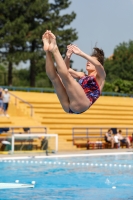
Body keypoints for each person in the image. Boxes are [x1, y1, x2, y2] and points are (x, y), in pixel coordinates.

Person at [42, 30, 106, 114]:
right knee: (55, 78)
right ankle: (47, 51)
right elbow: (65, 69)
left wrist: (80, 53)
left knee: (67, 78)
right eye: (88, 60)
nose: (88, 62)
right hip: (68, 107)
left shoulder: (101, 76)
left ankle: (55, 49)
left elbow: (98, 65)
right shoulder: (82, 75)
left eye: (91, 61)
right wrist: (67, 57)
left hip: (82, 104)